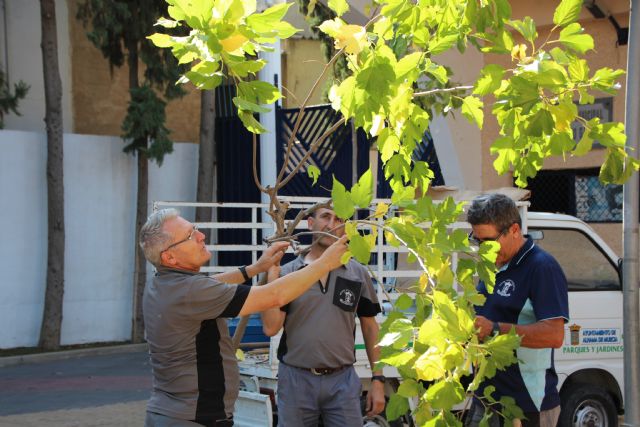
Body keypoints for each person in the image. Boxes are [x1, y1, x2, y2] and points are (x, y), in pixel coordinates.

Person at [138, 208, 348, 427]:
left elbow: (213, 285)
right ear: (169, 256)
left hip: (173, 414)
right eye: (190, 236)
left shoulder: (162, 283)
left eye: (196, 230)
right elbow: (275, 296)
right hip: (193, 418)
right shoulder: (190, 291)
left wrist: (255, 268)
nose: (201, 236)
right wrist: (325, 263)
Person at [261, 207, 386, 427]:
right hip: (296, 380)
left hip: (343, 381)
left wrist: (377, 379)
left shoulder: (357, 273)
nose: (331, 224)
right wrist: (272, 279)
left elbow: (369, 327)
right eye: (325, 216)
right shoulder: (290, 273)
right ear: (310, 224)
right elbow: (271, 328)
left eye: (338, 218)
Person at [465, 193, 569, 427]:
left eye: (488, 241)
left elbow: (554, 335)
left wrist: (494, 329)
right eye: (477, 241)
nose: (483, 249)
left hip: (526, 403)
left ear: (513, 230)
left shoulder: (542, 267)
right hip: (487, 397)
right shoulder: (490, 266)